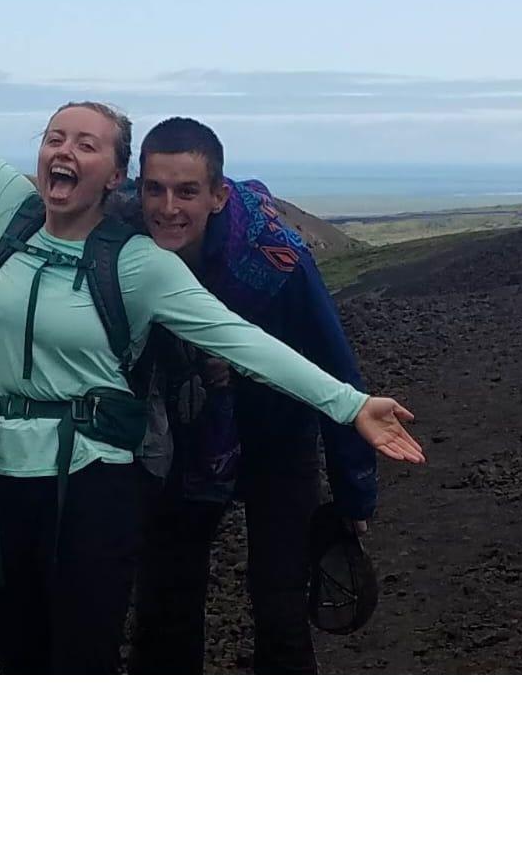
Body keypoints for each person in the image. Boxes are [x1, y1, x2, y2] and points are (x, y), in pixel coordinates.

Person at [0, 0, 424, 674]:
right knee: (76, 640)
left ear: (112, 174)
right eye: (56, 137)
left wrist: (352, 413)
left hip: (161, 463)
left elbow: (247, 341)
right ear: (134, 188)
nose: (65, 150)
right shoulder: (10, 213)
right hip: (22, 471)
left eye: (87, 144)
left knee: (248, 615)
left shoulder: (171, 262)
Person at [128, 117, 376, 673]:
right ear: (137, 187)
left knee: (281, 604)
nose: (168, 207)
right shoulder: (119, 234)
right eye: (155, 189)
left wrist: (353, 494)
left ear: (218, 195)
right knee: (164, 604)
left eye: (188, 191)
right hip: (182, 435)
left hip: (277, 435)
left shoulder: (277, 258)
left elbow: (334, 366)